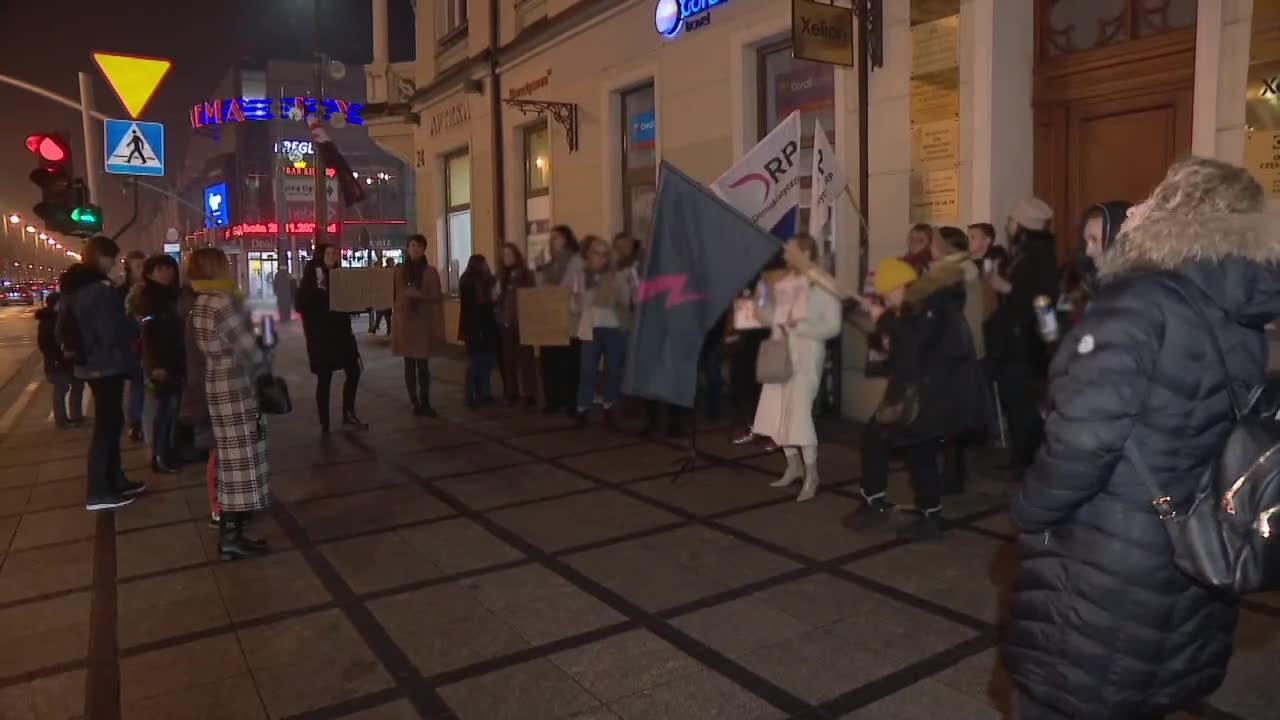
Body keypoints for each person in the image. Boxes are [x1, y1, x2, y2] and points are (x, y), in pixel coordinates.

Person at [1004, 157, 1280, 718]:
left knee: (1065, 699)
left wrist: (1030, 510)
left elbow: (1082, 442)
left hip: (1104, 563)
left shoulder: (1136, 304)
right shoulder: (1245, 322)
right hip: (1189, 552)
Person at [839, 254, 985, 541]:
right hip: (925, 394)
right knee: (900, 447)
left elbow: (910, 354)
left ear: (899, 287)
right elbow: (904, 348)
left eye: (887, 294)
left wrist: (885, 322)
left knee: (915, 452)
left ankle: (917, 515)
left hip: (928, 397)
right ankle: (897, 507)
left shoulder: (926, 310)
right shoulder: (924, 306)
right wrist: (882, 323)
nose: (886, 301)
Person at [188, 247, 272, 560]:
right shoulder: (223, 303)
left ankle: (231, 532)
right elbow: (248, 349)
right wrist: (264, 363)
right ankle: (232, 537)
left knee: (229, 460)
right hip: (236, 385)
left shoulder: (201, 303)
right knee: (241, 462)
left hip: (217, 381)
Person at [750, 234, 842, 502]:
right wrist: (759, 306)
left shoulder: (824, 284)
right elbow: (773, 318)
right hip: (781, 352)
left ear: (805, 253)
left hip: (807, 355)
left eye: (790, 251)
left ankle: (812, 474)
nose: (785, 255)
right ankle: (793, 465)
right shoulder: (785, 281)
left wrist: (799, 327)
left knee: (799, 415)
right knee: (776, 412)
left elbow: (833, 326)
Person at [59, 235, 146, 511]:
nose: (114, 265)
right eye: (112, 259)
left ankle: (114, 480)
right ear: (102, 257)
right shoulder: (100, 290)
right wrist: (133, 325)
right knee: (107, 427)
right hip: (107, 364)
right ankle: (99, 490)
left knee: (109, 423)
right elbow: (112, 331)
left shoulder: (74, 288)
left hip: (90, 364)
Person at [984, 197, 1059, 472]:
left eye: (1012, 221)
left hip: (1025, 344)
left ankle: (1027, 461)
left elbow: (1041, 299)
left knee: (1022, 404)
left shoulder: (1039, 256)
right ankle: (1020, 457)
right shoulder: (1024, 252)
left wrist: (1006, 288)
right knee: (1016, 402)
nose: (1008, 225)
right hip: (1017, 342)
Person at [297, 243, 367, 432]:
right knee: (325, 379)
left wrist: (362, 305)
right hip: (322, 337)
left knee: (354, 371)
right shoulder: (312, 275)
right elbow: (300, 303)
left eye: (335, 252)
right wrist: (317, 291)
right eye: (328, 252)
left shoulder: (340, 275)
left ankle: (348, 413)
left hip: (342, 334)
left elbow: (347, 302)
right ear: (320, 255)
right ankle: (324, 421)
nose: (333, 255)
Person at [127, 255, 184, 474]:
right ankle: (160, 456)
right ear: (150, 273)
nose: (166, 274)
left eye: (169, 269)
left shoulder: (169, 295)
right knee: (163, 412)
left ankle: (165, 453)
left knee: (170, 410)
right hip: (161, 363)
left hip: (172, 360)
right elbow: (148, 336)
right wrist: (155, 366)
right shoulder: (149, 297)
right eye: (159, 270)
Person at [573, 236, 637, 427]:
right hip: (590, 326)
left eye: (603, 254)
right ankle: (582, 408)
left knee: (614, 370)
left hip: (614, 326)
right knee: (587, 370)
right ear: (589, 255)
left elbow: (628, 300)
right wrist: (585, 296)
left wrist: (620, 287)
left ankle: (609, 406)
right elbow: (575, 305)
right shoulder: (582, 275)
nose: (599, 258)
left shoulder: (618, 274)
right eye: (595, 253)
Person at [177, 271, 220, 527]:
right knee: (218, 453)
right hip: (209, 390)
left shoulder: (197, 309)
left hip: (208, 387)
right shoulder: (200, 311)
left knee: (219, 452)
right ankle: (220, 510)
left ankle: (224, 509)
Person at [391, 234, 444, 417]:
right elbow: (397, 297)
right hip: (406, 323)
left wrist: (419, 296)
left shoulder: (430, 271)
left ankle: (425, 401)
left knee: (423, 367)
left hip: (422, 324)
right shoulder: (400, 271)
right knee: (409, 366)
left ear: (423, 249)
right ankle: (414, 402)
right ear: (407, 248)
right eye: (412, 246)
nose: (415, 249)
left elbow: (437, 297)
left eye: (419, 246)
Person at [538, 225, 584, 415]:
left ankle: (572, 402)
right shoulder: (548, 265)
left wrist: (555, 292)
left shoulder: (576, 262)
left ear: (566, 239)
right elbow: (540, 291)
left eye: (556, 237)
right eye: (551, 237)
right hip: (550, 321)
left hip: (570, 321)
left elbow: (575, 290)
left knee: (570, 364)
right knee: (550, 363)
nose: (552, 241)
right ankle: (554, 400)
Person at [497, 243, 538, 407]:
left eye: (510, 254)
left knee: (526, 360)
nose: (507, 258)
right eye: (504, 255)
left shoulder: (525, 274)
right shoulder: (501, 275)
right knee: (508, 360)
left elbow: (531, 295)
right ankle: (511, 392)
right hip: (505, 323)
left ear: (516, 255)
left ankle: (529, 393)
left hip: (523, 322)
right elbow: (497, 298)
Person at [36, 292, 84, 429]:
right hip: (57, 362)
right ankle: (61, 420)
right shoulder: (48, 321)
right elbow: (46, 345)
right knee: (61, 389)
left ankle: (76, 415)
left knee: (77, 385)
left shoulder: (60, 318)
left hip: (67, 360)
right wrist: (57, 358)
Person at [458, 255, 500, 406]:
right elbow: (473, 307)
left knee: (486, 361)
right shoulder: (469, 281)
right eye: (483, 264)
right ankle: (472, 394)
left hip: (486, 326)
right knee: (476, 361)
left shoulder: (487, 280)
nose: (486, 266)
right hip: (476, 327)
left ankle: (484, 393)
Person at [123, 249, 147, 442]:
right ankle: (135, 423)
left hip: (150, 344)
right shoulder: (122, 291)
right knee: (137, 386)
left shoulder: (150, 288)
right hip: (134, 345)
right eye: (138, 266)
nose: (142, 270)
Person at [369, 257, 396, 335]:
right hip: (386, 294)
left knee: (382, 312)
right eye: (392, 261)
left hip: (386, 294)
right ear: (389, 262)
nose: (393, 263)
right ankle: (388, 329)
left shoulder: (388, 270)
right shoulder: (388, 271)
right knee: (385, 313)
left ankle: (376, 327)